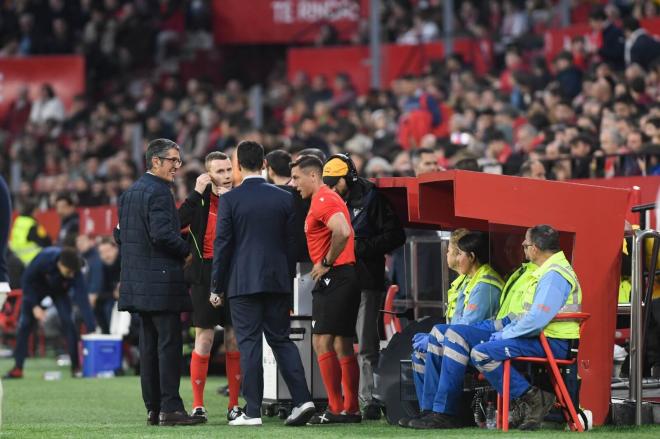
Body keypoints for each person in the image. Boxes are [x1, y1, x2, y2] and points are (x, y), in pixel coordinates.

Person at [414, 225, 581, 430]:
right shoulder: (539, 271)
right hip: (532, 336)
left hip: (550, 341)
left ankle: (448, 411)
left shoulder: (554, 275)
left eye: (526, 244)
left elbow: (536, 319)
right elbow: (519, 316)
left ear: (535, 248)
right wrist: (502, 329)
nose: (522, 247)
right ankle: (433, 411)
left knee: (480, 352)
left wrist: (505, 334)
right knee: (444, 332)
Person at [210, 140, 315, 427]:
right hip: (278, 280)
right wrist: (284, 271)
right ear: (265, 164)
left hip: (243, 282)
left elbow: (223, 245)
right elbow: (295, 242)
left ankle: (252, 410)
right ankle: (303, 399)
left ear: (238, 167)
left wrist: (216, 286)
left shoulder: (230, 199)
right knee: (281, 340)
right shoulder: (285, 197)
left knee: (249, 344)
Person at [405, 235, 538, 429]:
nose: (453, 257)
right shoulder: (517, 274)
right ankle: (430, 411)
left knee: (447, 335)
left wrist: (438, 336)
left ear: (472, 256)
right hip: (501, 330)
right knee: (422, 351)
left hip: (507, 335)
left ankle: (444, 412)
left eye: (458, 253)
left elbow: (469, 325)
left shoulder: (487, 283)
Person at [114, 138, 202, 427]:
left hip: (138, 282)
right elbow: (163, 234)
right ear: (155, 161)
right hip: (161, 281)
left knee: (149, 346)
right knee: (168, 345)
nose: (177, 166)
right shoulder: (160, 192)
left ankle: (153, 409)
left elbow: (120, 236)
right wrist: (186, 251)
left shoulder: (128, 194)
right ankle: (171, 408)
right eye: (173, 161)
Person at [321, 153, 406, 419]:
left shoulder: (371, 197)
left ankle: (367, 398)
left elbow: (395, 235)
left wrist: (359, 248)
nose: (332, 187)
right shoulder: (330, 198)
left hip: (365, 279)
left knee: (366, 343)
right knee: (335, 341)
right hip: (337, 279)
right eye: (329, 183)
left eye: (336, 182)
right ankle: (346, 399)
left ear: (349, 178)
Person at [290, 155, 362, 424]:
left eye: (297, 178)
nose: (293, 183)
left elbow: (342, 231)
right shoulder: (326, 198)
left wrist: (326, 262)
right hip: (343, 276)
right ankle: (349, 408)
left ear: (313, 176)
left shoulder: (323, 199)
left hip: (336, 275)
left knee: (321, 341)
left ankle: (335, 408)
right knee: (342, 342)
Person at [178, 151, 242, 422]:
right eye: (219, 171)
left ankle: (234, 404)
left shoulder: (240, 197)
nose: (226, 175)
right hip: (204, 272)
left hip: (235, 272)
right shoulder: (199, 199)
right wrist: (195, 193)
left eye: (229, 170)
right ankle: (198, 405)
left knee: (233, 338)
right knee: (203, 337)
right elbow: (176, 222)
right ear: (208, 174)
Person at [4, 246, 96, 379]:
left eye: (73, 273)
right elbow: (26, 281)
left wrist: (91, 327)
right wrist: (35, 306)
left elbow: (83, 301)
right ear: (60, 264)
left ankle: (76, 367)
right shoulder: (44, 259)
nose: (71, 275)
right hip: (36, 290)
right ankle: (18, 368)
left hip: (59, 292)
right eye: (69, 272)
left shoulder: (74, 270)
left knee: (69, 323)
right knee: (25, 325)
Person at [9, 201, 52, 266]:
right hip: (32, 259)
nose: (38, 212)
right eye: (37, 210)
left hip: (17, 257)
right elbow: (44, 240)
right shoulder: (31, 224)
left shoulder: (18, 220)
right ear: (33, 210)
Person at [97, 237, 120, 334]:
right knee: (97, 305)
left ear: (116, 249)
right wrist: (113, 294)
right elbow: (100, 291)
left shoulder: (125, 261)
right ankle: (106, 336)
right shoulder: (103, 267)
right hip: (112, 298)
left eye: (108, 251)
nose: (105, 255)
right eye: (102, 253)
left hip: (130, 297)